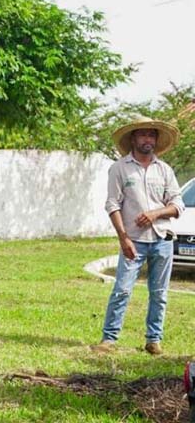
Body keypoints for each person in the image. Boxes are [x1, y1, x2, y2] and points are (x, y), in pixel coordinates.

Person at [92, 115, 184, 356]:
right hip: (134, 240)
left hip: (162, 239)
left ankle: (154, 340)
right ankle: (109, 339)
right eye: (142, 134)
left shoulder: (164, 170)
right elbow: (112, 205)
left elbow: (177, 205)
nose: (147, 139)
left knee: (159, 293)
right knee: (122, 289)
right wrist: (124, 238)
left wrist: (155, 213)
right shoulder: (120, 169)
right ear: (133, 138)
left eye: (151, 134)